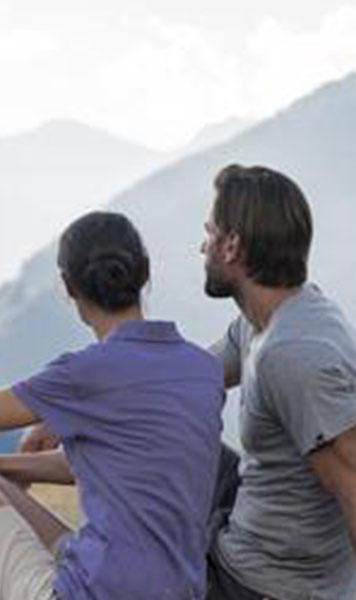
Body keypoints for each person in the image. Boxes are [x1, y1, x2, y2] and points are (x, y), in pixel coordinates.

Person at [0, 211, 225, 600]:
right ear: (145, 273)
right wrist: (3, 466)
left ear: (69, 286)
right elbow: (126, 461)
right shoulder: (204, 371)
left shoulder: (82, 374)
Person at [200, 164, 356, 600]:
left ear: (231, 245)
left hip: (265, 587)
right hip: (251, 517)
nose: (202, 246)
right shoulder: (264, 319)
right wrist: (70, 414)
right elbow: (186, 381)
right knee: (165, 427)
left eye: (209, 232)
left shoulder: (294, 354)